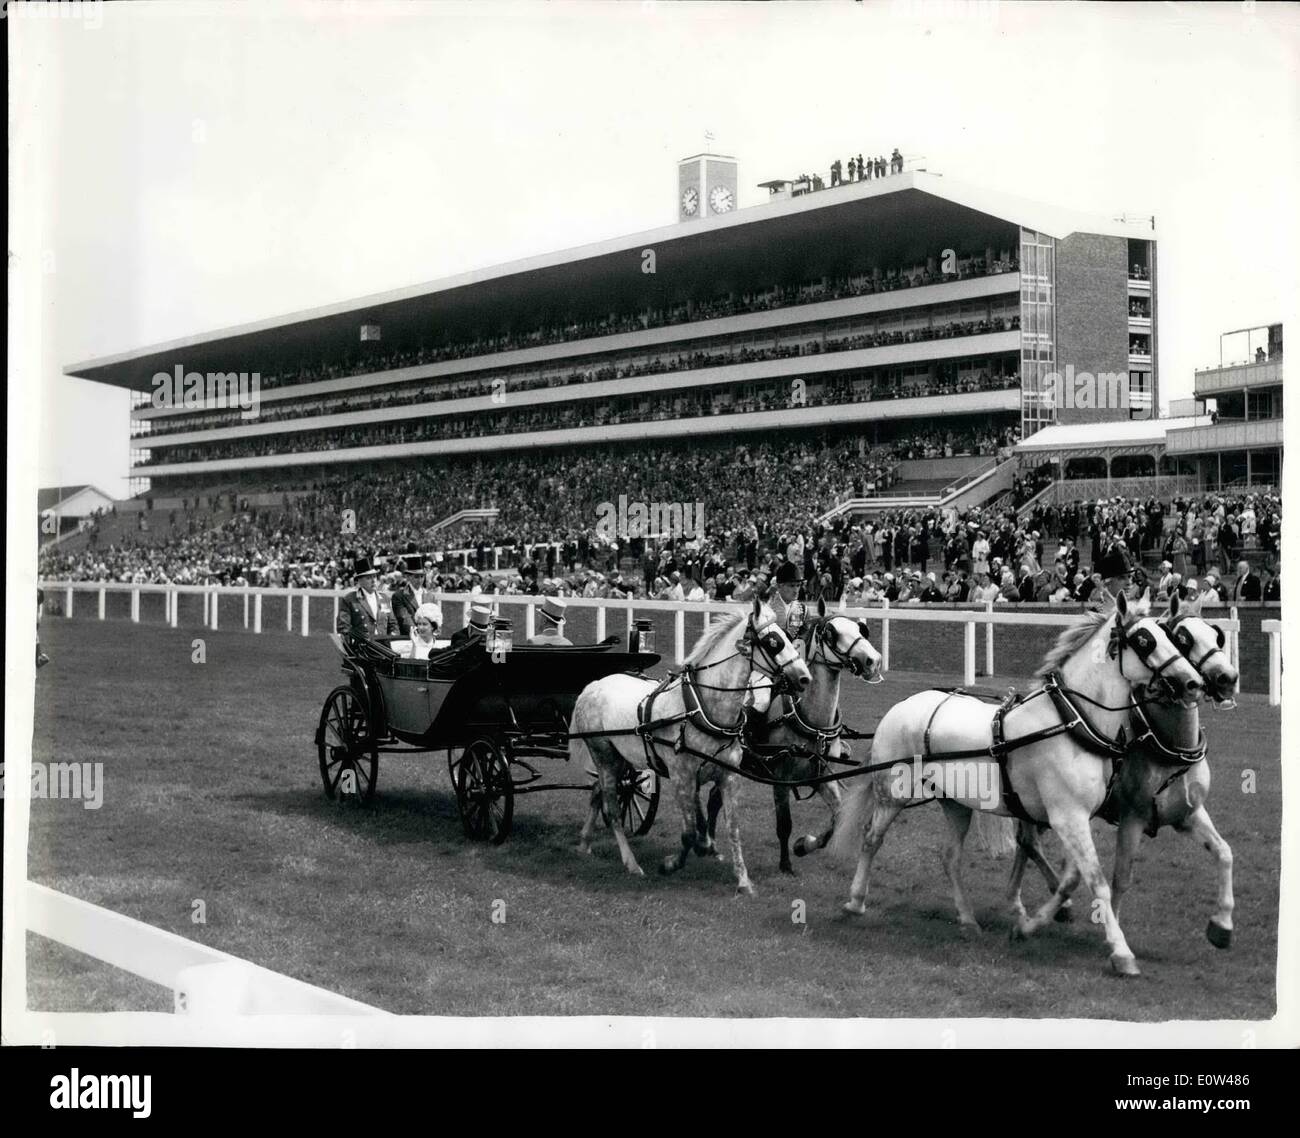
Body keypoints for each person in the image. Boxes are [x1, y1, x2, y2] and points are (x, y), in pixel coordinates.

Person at [336, 557, 399, 642]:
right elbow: (344, 628)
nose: (373, 581)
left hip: (384, 649)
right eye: (369, 578)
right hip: (363, 649)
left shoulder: (384, 598)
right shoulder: (350, 599)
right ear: (359, 581)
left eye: (375, 577)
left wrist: (393, 640)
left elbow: (393, 624)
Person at [391, 553, 432, 636]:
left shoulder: (430, 596)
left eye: (422, 576)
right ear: (408, 577)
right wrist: (419, 633)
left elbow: (435, 617)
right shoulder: (399, 596)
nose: (420, 580)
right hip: (409, 637)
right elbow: (404, 618)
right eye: (416, 577)